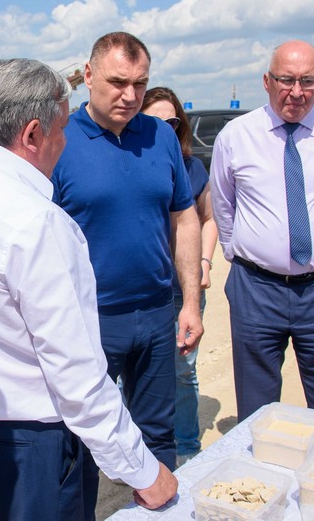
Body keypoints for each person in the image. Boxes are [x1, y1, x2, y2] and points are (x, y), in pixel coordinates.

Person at [0, 58, 178, 520]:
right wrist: (143, 471)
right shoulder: (36, 221)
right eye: (62, 129)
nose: (65, 141)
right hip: (29, 438)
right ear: (33, 134)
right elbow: (78, 377)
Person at [52, 32, 202, 510]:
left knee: (157, 433)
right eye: (118, 82)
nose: (130, 95)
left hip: (156, 314)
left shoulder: (160, 136)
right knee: (78, 442)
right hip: (89, 321)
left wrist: (191, 303)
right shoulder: (59, 140)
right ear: (88, 75)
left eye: (140, 83)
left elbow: (185, 218)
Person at [210, 40, 314, 422]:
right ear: (267, 81)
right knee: (257, 409)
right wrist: (245, 253)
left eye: (307, 81)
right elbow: (224, 205)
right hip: (256, 290)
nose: (296, 92)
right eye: (286, 80)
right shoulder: (235, 136)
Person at [140, 86, 218, 465]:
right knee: (130, 376)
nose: (163, 129)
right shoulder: (130, 164)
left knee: (183, 372)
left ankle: (186, 447)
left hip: (180, 289)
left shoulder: (192, 168)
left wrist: (204, 263)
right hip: (141, 292)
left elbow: (208, 219)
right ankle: (137, 452)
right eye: (153, 121)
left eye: (170, 122)